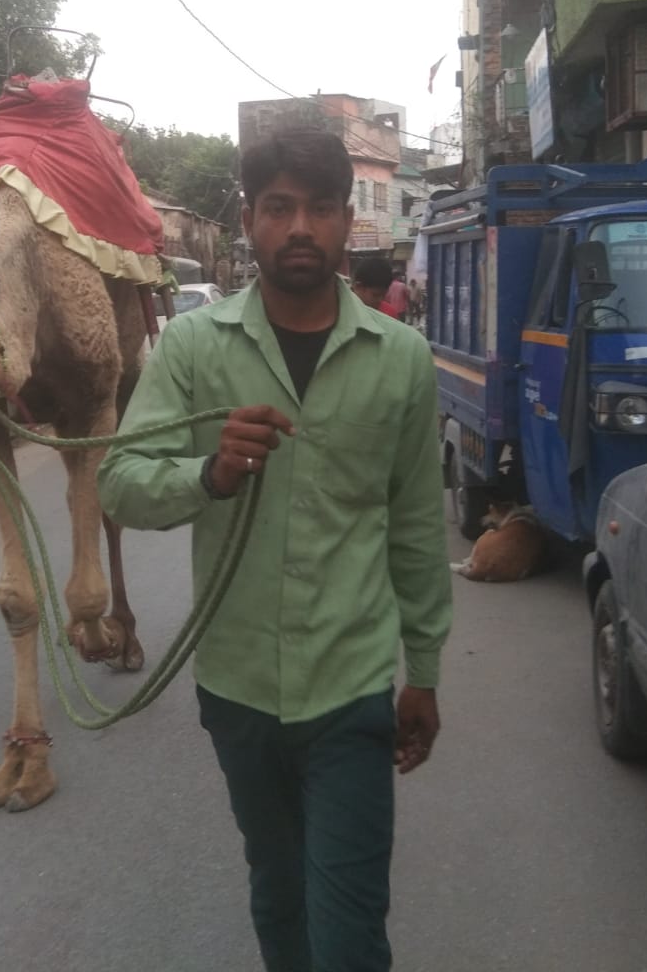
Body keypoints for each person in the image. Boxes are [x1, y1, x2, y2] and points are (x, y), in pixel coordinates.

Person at [98, 127, 452, 972]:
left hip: (352, 685)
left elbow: (413, 525)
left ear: (344, 225)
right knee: (277, 888)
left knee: (351, 922)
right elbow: (119, 483)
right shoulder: (193, 346)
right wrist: (211, 474)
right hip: (239, 686)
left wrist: (426, 673)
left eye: (321, 209)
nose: (301, 227)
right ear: (250, 220)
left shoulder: (400, 357)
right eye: (280, 208)